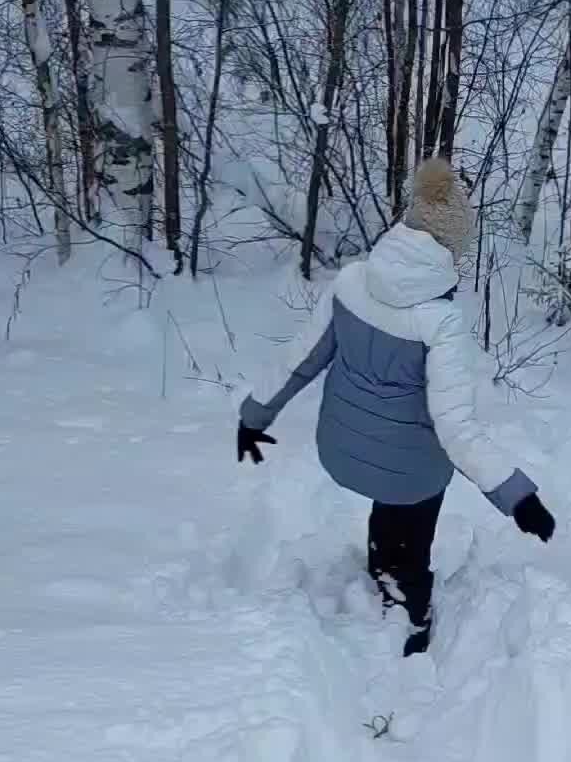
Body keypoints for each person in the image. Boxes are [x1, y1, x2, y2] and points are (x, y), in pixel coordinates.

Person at [237, 158, 555, 656]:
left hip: (343, 451)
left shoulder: (351, 282)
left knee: (392, 488)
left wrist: (252, 417)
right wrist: (517, 496)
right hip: (409, 474)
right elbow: (456, 429)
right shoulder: (440, 323)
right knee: (413, 495)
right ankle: (409, 607)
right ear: (452, 247)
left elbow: (298, 360)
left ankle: (380, 563)